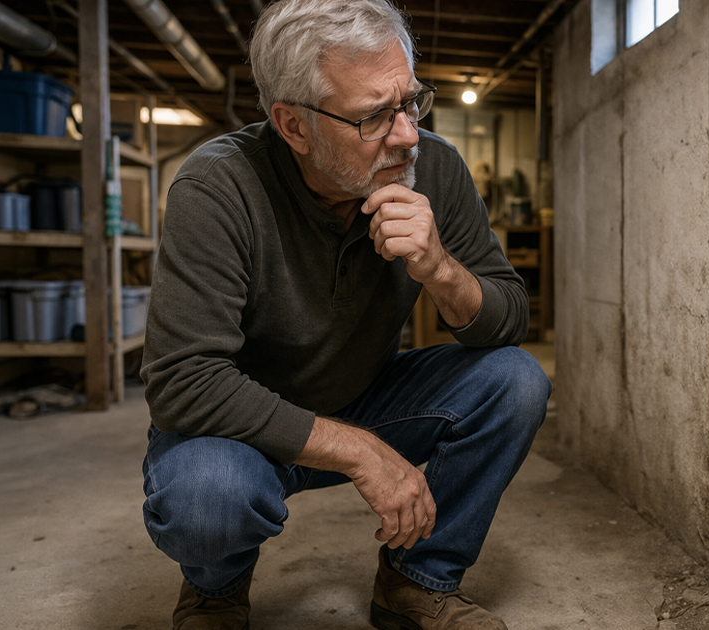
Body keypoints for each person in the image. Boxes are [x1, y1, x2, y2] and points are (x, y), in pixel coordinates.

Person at [138, 0, 551, 628]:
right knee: (206, 499)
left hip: (366, 394)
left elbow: (509, 318)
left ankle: (417, 582)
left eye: (411, 101)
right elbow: (182, 381)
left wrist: (441, 269)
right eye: (372, 117)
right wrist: (361, 452)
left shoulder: (433, 166)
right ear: (294, 126)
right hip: (239, 428)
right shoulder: (217, 187)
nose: (407, 133)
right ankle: (216, 590)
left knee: (515, 381)